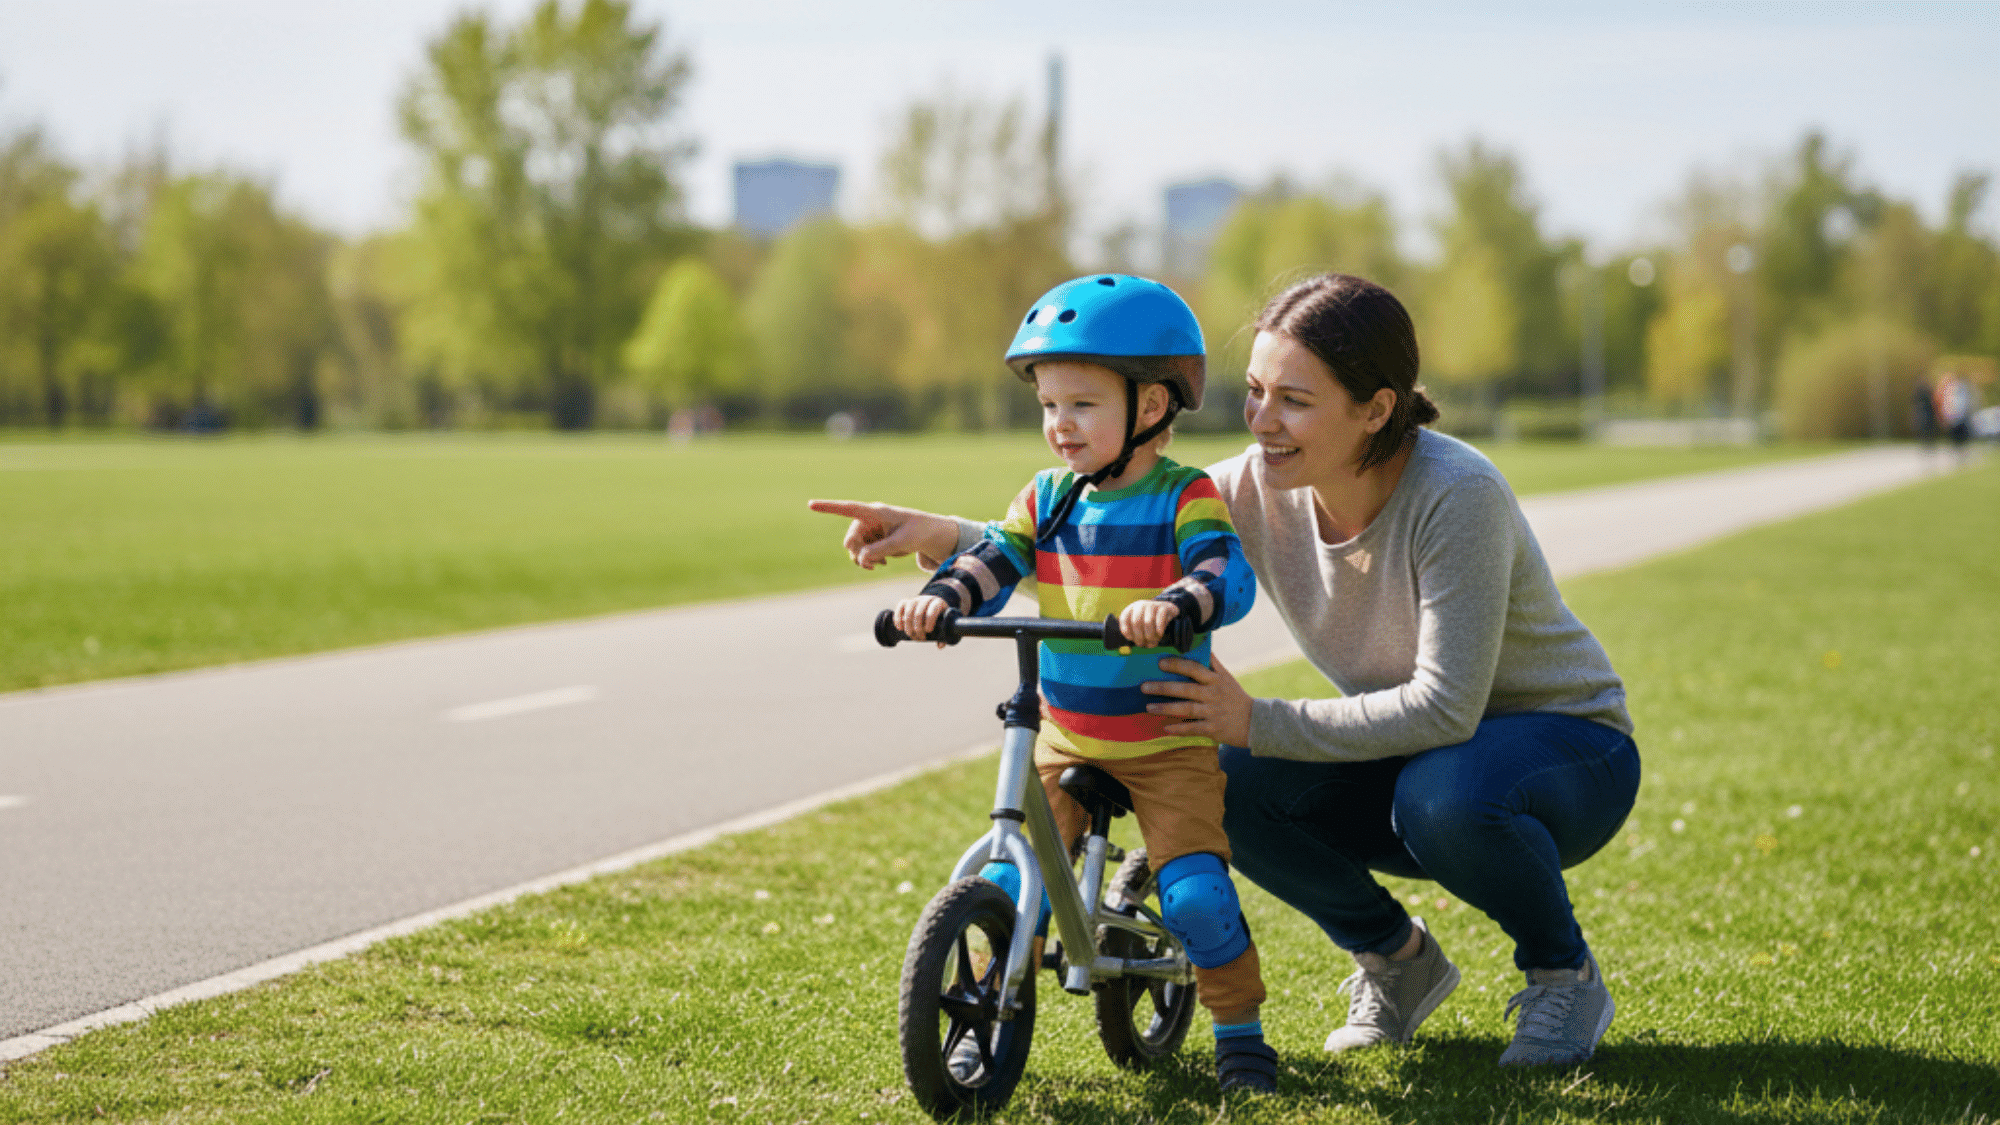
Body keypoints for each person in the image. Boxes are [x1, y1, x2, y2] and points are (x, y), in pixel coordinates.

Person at [811, 273, 1642, 1070]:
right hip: (1416, 746)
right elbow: (1105, 541)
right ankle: (1398, 959)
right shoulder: (1249, 485)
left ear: (1376, 408)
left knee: (1443, 795)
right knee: (1224, 782)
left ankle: (1563, 977)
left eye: (1295, 400)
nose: (1263, 420)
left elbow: (1447, 708)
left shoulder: (1455, 494)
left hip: (1559, 748)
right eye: (1254, 391)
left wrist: (1257, 719)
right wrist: (941, 535)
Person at [888, 274, 1277, 1094]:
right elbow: (997, 558)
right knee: (1006, 880)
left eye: (1082, 405)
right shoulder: (1048, 496)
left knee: (1199, 897)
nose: (1059, 425)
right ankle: (984, 1014)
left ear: (1152, 406)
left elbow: (1225, 572)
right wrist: (940, 598)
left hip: (1167, 739)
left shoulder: (1186, 494)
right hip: (1065, 730)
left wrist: (1181, 601)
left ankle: (1239, 1028)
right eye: (1049, 405)